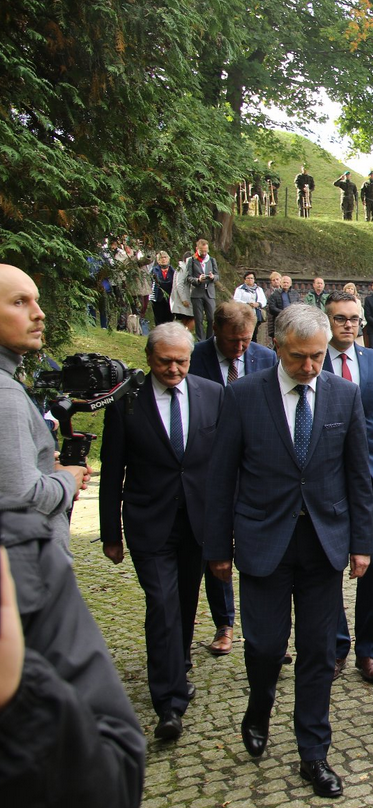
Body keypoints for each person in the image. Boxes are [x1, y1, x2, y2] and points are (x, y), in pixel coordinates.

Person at [204, 304, 373, 799]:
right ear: (275, 346)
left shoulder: (344, 395)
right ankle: (259, 704)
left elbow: (358, 476)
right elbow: (221, 479)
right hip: (262, 541)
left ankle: (313, 752)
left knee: (318, 653)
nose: (309, 367)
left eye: (317, 356)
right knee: (263, 646)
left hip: (324, 543)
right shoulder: (241, 397)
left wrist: (363, 542)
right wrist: (218, 549)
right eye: (299, 357)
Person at [0, 264, 145, 805]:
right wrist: (63, 480)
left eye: (36, 300)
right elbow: (19, 498)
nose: (38, 313)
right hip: (28, 587)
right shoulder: (5, 397)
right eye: (19, 302)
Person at [99, 324, 223, 741]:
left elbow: (223, 467)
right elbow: (112, 471)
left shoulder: (211, 394)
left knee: (186, 601)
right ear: (149, 358)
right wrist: (110, 532)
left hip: (197, 522)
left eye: (181, 361)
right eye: (164, 361)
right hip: (148, 523)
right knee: (162, 604)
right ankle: (169, 703)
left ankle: (178, 662)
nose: (173, 369)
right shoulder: (126, 402)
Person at [322, 293, 373, 685]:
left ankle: (368, 650)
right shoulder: (313, 359)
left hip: (371, 477)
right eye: (340, 319)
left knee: (372, 566)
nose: (349, 325)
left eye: (354, 319)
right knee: (328, 565)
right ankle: (336, 645)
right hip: (325, 480)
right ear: (328, 321)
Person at [187, 301, 276, 654]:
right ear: (215, 331)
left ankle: (270, 629)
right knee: (217, 546)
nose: (240, 348)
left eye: (245, 339)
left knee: (264, 547)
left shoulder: (264, 358)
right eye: (232, 341)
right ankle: (224, 624)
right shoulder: (194, 358)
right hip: (209, 465)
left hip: (254, 467)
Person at [186, 239, 217, 340]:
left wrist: (213, 277)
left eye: (206, 251)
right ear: (197, 249)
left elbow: (217, 275)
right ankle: (200, 340)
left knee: (211, 318)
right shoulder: (191, 260)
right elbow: (188, 277)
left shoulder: (212, 260)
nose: (204, 253)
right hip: (197, 293)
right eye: (202, 251)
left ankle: (210, 339)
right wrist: (198, 280)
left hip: (209, 293)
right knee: (198, 319)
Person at [232, 271, 267, 343]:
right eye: (248, 278)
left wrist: (258, 304)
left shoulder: (258, 289)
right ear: (245, 279)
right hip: (244, 313)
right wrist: (247, 304)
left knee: (255, 332)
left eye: (252, 278)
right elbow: (236, 300)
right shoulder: (240, 289)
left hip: (255, 313)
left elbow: (263, 300)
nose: (250, 280)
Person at [266, 274, 299, 340]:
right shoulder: (275, 294)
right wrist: (283, 312)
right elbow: (272, 308)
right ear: (281, 283)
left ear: (290, 284)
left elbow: (299, 305)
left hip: (292, 320)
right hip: (279, 320)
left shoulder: (295, 294)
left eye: (287, 282)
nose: (285, 284)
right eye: (284, 282)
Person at [150, 251, 176, 325]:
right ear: (158, 260)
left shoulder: (173, 271)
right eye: (161, 258)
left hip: (170, 298)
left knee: (169, 319)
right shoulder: (154, 270)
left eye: (165, 257)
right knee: (159, 319)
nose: (163, 259)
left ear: (168, 259)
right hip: (157, 298)